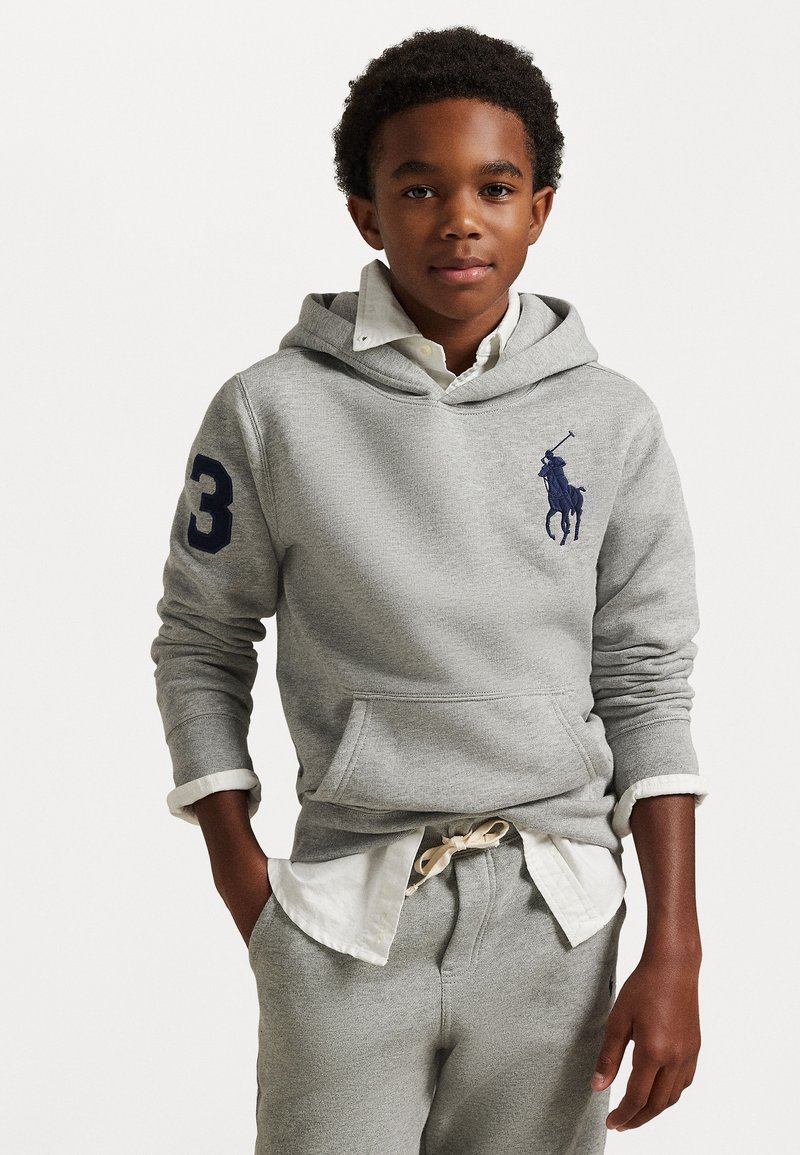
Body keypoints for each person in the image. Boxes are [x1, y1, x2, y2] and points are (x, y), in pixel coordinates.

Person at [151, 25, 709, 1154]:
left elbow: (646, 679)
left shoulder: (611, 421)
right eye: (419, 188)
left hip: (559, 924)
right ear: (367, 213)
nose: (459, 218)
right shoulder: (269, 411)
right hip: (344, 921)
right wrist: (249, 889)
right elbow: (200, 639)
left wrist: (675, 948)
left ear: (538, 210)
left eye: (494, 189)